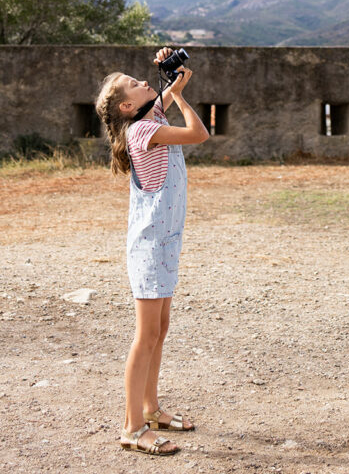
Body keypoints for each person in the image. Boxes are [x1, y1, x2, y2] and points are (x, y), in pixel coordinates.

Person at [95, 47, 209, 456]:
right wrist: (177, 96)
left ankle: (152, 409)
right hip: (149, 247)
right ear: (127, 105)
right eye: (135, 84)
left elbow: (179, 79)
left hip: (164, 243)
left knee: (160, 331)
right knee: (146, 336)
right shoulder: (142, 130)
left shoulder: (147, 116)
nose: (144, 82)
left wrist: (171, 70)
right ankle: (131, 426)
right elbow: (199, 133)